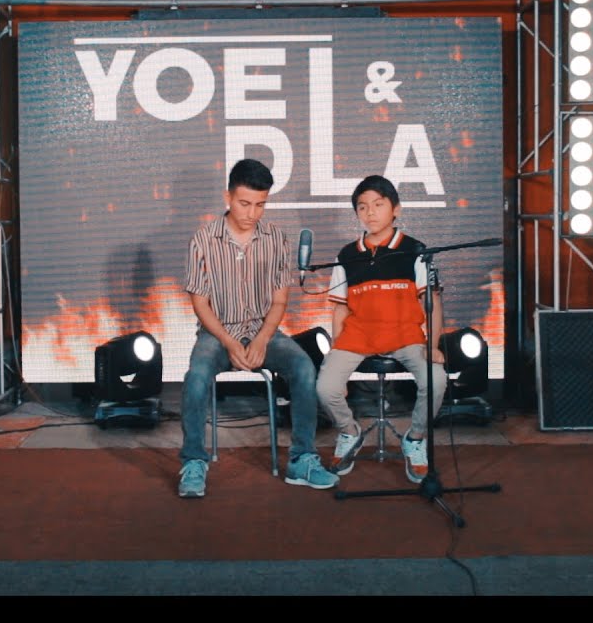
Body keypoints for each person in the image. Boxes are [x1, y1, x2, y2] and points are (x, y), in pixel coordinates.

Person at [176, 158, 339, 498]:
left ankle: (302, 459)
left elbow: (279, 301)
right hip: (217, 333)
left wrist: (263, 339)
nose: (251, 213)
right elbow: (200, 303)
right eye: (244, 203)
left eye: (260, 205)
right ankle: (193, 462)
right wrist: (229, 342)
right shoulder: (202, 240)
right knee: (196, 376)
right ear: (228, 197)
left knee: (304, 367)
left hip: (263, 330)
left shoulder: (276, 239)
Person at [315, 175, 447, 485]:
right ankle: (349, 432)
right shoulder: (346, 255)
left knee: (436, 380)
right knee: (325, 388)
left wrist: (434, 345)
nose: (370, 212)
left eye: (378, 204)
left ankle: (415, 438)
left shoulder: (415, 250)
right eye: (362, 207)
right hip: (358, 334)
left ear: (395, 209)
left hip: (406, 335)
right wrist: (336, 352)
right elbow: (340, 308)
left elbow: (432, 303)